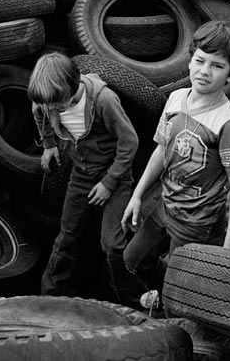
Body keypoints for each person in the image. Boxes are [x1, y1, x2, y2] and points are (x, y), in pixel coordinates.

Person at [121, 20, 230, 313]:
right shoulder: (177, 98)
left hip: (198, 224)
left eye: (217, 66)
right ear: (190, 59)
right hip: (165, 206)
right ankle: (168, 291)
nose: (204, 71)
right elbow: (161, 148)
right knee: (133, 260)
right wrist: (138, 195)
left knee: (179, 297)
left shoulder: (228, 124)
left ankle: (176, 315)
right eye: (199, 60)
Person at [29, 52, 143, 305]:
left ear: (73, 86)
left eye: (57, 104)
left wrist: (108, 183)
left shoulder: (103, 100)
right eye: (47, 104)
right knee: (67, 235)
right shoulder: (47, 101)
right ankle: (49, 298)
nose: (51, 109)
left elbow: (129, 141)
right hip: (81, 172)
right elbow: (39, 112)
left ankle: (135, 299)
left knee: (111, 243)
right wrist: (48, 144)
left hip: (115, 175)